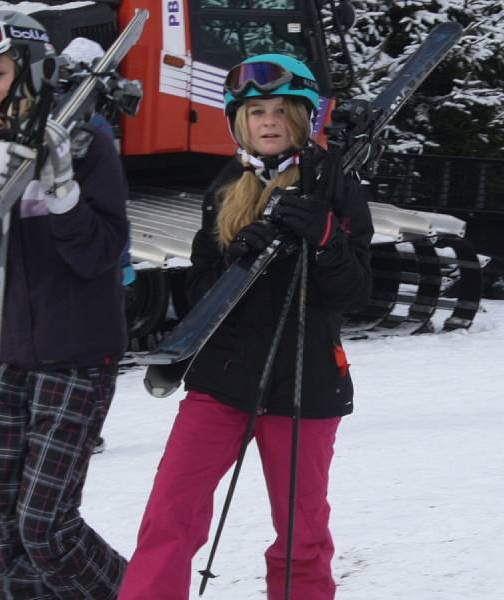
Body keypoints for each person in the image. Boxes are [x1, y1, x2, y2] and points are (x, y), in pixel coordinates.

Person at [118, 54, 374, 600]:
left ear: (304, 117)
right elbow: (197, 295)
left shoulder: (335, 187)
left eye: (282, 110)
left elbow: (353, 294)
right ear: (239, 120)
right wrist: (237, 256)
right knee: (170, 516)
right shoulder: (227, 186)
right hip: (221, 381)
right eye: (255, 111)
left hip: (303, 386)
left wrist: (326, 238)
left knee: (301, 538)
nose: (268, 121)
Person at [0, 10, 128, 599]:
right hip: (7, 356)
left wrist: (62, 191)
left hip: (75, 358)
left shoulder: (88, 143)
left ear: (32, 70)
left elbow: (101, 256)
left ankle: (138, 593)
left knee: (45, 530)